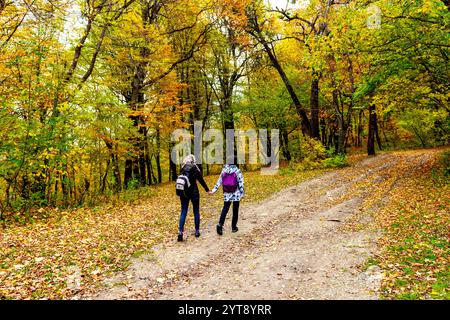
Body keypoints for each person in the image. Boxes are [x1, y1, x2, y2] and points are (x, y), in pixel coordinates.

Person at [177, 155, 210, 242]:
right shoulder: (195, 167)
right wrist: (207, 190)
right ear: (193, 161)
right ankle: (197, 231)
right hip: (194, 192)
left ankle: (180, 232)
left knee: (183, 211)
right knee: (196, 210)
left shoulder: (182, 167)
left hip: (183, 193)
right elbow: (200, 180)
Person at [209, 163, 244, 235]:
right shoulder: (237, 170)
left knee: (225, 209)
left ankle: (220, 224)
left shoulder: (224, 170)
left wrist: (213, 190)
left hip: (226, 193)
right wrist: (242, 193)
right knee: (235, 210)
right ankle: (234, 228)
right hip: (236, 193)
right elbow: (240, 183)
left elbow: (219, 181)